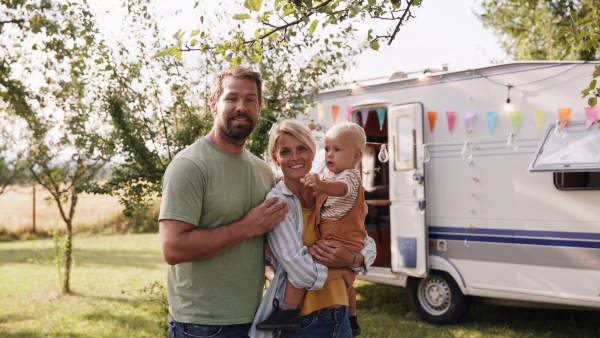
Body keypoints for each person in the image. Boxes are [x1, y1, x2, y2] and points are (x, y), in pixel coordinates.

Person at [158, 66, 290, 338]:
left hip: (256, 318)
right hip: (202, 325)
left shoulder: (263, 170)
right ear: (213, 105)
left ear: (259, 107)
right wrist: (245, 227)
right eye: (231, 98)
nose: (241, 106)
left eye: (250, 99)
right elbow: (173, 248)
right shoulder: (189, 165)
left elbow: (269, 243)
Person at [250, 120, 376, 338]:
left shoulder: (328, 190)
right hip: (303, 321)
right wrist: (344, 270)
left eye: (302, 149)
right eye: (285, 152)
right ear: (275, 159)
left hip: (341, 313)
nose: (295, 157)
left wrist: (353, 258)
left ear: (312, 152)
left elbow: (364, 240)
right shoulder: (278, 203)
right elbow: (300, 270)